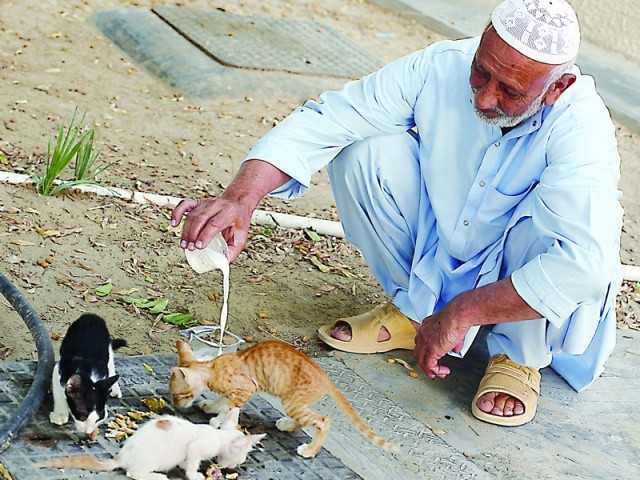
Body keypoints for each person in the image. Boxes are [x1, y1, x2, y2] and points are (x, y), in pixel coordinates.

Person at [171, 0, 623, 426]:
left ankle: (517, 358)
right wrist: (241, 198)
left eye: (509, 90)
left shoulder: (581, 128)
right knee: (364, 153)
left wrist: (464, 311)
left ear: (557, 87)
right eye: (481, 74)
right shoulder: (441, 64)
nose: (485, 99)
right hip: (443, 246)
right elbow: (333, 117)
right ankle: (415, 311)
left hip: (519, 274)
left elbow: (585, 264)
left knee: (563, 225)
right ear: (480, 43)